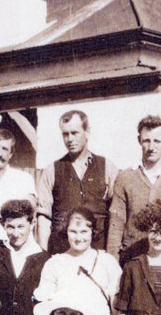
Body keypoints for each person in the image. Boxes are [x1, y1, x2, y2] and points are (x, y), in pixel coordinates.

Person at [106, 115, 161, 263]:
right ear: (139, 140)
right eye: (147, 140)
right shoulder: (125, 177)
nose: (152, 147)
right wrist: (112, 264)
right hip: (133, 259)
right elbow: (116, 225)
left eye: (157, 141)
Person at [35, 109, 118, 254]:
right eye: (65, 134)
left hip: (98, 250)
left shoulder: (107, 167)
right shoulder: (51, 170)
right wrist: (44, 253)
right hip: (61, 251)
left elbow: (116, 214)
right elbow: (44, 216)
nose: (70, 139)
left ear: (87, 132)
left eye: (74, 133)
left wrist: (111, 253)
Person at [34, 206, 122, 315]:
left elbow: (116, 305)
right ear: (66, 232)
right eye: (73, 231)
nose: (79, 238)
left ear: (92, 232)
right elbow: (47, 310)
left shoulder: (107, 261)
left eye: (84, 231)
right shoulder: (55, 263)